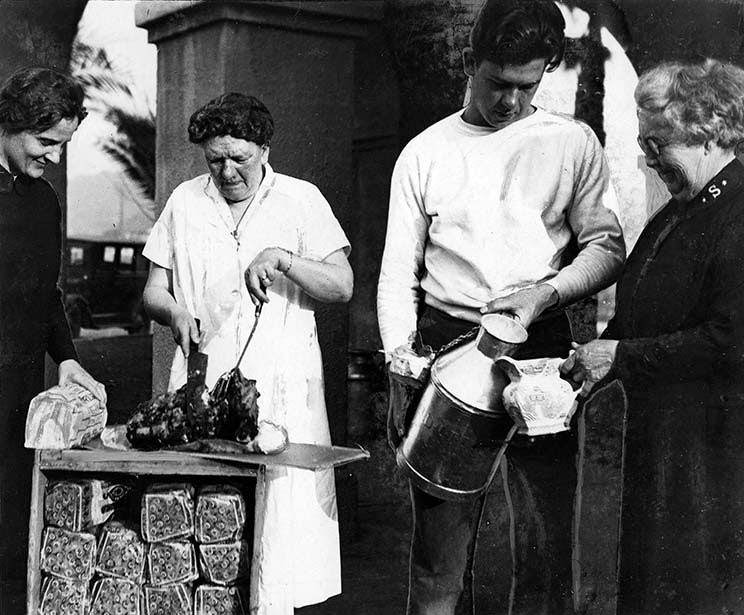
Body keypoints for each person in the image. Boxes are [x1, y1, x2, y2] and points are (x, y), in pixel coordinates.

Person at [377, 0, 626, 612]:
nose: (511, 101)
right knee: (439, 555)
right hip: (445, 349)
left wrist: (546, 293)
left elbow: (607, 246)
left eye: (528, 84)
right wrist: (399, 364)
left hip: (540, 354)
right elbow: (396, 272)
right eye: (497, 83)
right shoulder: (425, 152)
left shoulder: (571, 141)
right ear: (469, 61)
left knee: (542, 545)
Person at [142, 92, 353, 614]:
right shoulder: (185, 201)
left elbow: (341, 285)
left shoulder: (301, 200)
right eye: (215, 159)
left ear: (264, 147)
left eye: (239, 157)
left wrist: (283, 258)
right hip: (200, 386)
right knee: (201, 533)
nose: (227, 171)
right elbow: (152, 290)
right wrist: (172, 312)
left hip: (281, 389)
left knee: (279, 536)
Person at [562, 59, 744, 615]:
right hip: (666, 440)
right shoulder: (683, 210)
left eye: (657, 142)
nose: (647, 157)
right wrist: (593, 358)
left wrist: (620, 354)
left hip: (715, 448)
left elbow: (730, 340)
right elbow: (639, 312)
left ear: (708, 132)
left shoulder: (738, 212)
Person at [0, 67, 107, 612]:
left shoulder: (42, 200)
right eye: (45, 143)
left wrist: (65, 358)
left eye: (63, 145)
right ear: (9, 125)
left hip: (17, 394)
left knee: (12, 530)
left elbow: (46, 294)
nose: (55, 158)